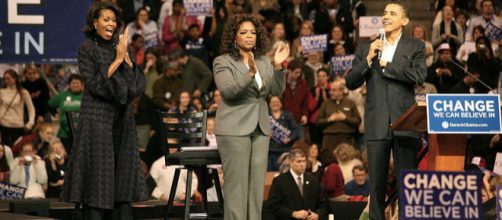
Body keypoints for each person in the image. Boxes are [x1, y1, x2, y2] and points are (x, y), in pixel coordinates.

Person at [61, 2, 148, 219]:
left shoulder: (123, 47)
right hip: (97, 121)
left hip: (122, 122)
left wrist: (127, 60)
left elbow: (136, 87)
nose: (111, 23)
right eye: (106, 19)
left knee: (122, 180)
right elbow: (97, 85)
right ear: (95, 22)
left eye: (113, 20)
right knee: (98, 180)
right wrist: (118, 60)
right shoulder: (87, 49)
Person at [345, 2, 426, 219]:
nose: (386, 16)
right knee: (377, 187)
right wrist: (368, 59)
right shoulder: (366, 48)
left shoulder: (415, 46)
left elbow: (419, 76)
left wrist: (386, 66)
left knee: (407, 185)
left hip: (405, 123)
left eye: (393, 13)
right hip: (376, 122)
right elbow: (351, 82)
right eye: (384, 12)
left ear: (405, 21)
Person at [213, 14, 289, 220]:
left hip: (260, 128)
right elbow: (228, 91)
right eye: (244, 32)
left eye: (253, 33)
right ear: (234, 36)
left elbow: (276, 90)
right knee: (237, 187)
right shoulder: (222, 61)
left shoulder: (264, 61)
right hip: (233, 129)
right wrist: (249, 74)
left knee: (256, 187)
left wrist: (279, 67)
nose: (249, 36)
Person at [267, 148, 329, 220]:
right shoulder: (280, 181)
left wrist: (318, 214)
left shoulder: (313, 180)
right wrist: (293, 213)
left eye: (304, 161)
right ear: (290, 162)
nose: (302, 164)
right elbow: (272, 205)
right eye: (299, 161)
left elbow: (324, 205)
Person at [47, 74, 83, 153]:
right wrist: (54, 113)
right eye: (73, 83)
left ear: (82, 85)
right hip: (65, 133)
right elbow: (50, 104)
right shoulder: (62, 96)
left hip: (81, 132)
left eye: (78, 83)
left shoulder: (86, 97)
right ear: (69, 85)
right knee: (66, 155)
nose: (75, 85)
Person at [0, 70, 36, 147]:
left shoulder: (23, 92)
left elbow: (31, 109)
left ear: (15, 79)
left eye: (8, 78)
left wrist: (30, 123)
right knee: (4, 149)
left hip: (17, 126)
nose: (6, 80)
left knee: (17, 148)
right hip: (3, 125)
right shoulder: (2, 92)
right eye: (5, 79)